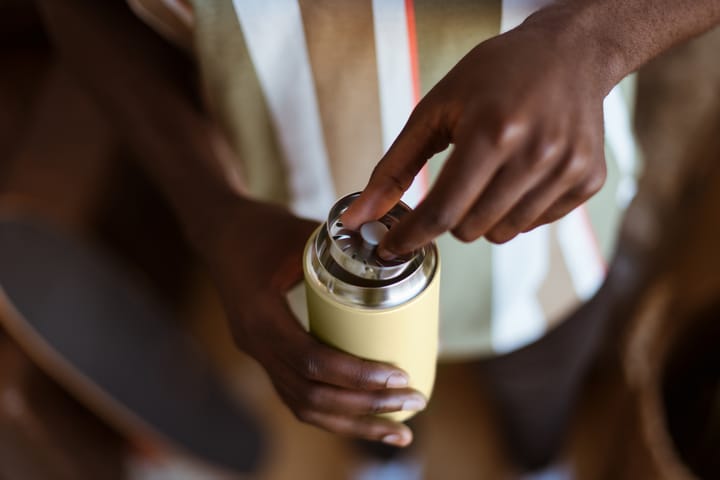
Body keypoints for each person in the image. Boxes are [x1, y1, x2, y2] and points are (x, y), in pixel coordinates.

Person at [39, 0, 720, 473]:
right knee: (361, 403)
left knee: (540, 392)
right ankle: (387, 465)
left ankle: (537, 463)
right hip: (279, 224)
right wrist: (212, 214)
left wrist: (596, 38)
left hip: (546, 218)